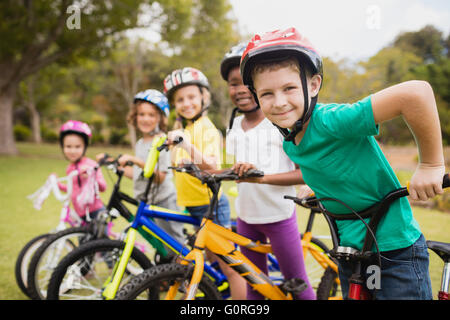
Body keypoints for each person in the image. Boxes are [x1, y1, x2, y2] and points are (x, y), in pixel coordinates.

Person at [240, 27, 445, 300]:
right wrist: (320, 189)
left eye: (289, 88)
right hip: (352, 252)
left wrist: (431, 165)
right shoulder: (290, 139)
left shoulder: (332, 120)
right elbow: (332, 164)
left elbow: (416, 93)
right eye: (266, 94)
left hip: (393, 249)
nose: (279, 102)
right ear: (256, 97)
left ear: (313, 85)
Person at [221, 42, 316, 300]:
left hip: (279, 217)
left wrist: (260, 177)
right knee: (255, 287)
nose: (240, 89)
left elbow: (305, 173)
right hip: (246, 218)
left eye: (245, 83)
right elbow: (238, 167)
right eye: (233, 83)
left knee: (298, 285)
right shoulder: (235, 124)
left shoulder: (279, 121)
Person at [164, 67, 246, 299]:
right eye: (180, 99)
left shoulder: (207, 129)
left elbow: (211, 165)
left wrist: (185, 145)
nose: (186, 103)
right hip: (193, 204)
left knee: (231, 267)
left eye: (191, 97)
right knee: (212, 259)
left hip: (211, 204)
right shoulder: (187, 128)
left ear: (204, 97)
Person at [106, 89, 186, 262]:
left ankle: (188, 277)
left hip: (164, 201)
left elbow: (160, 177)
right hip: (148, 202)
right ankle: (167, 273)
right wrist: (117, 166)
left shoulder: (163, 141)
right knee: (160, 245)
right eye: (141, 114)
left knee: (175, 245)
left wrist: (136, 160)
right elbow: (139, 175)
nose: (145, 119)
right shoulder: (141, 143)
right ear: (135, 116)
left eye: (151, 115)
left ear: (160, 118)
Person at [58, 120, 107, 222]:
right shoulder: (70, 168)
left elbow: (103, 187)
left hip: (95, 212)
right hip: (79, 214)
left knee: (101, 238)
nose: (72, 151)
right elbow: (72, 189)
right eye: (68, 146)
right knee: (81, 238)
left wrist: (91, 177)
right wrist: (58, 184)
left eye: (77, 147)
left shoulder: (91, 165)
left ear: (85, 147)